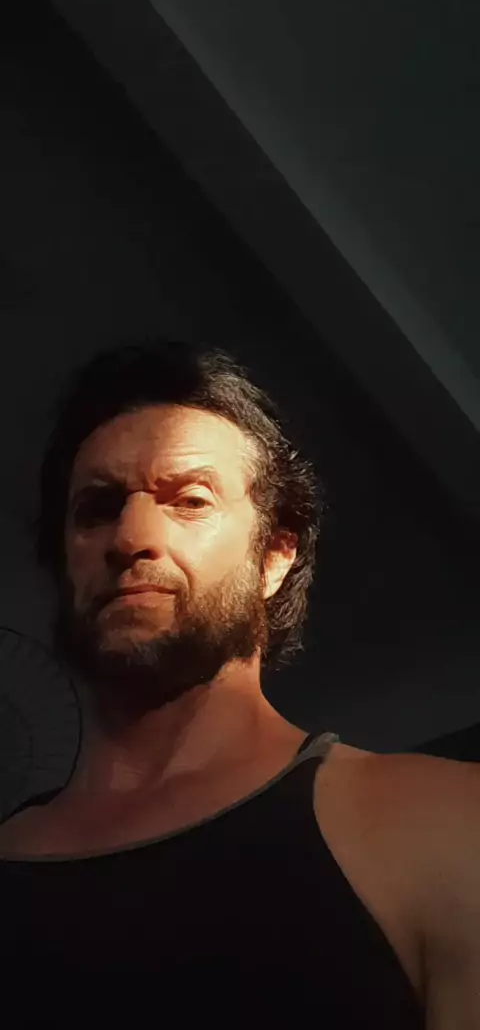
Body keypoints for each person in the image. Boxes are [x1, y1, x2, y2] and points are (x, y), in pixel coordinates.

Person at [0, 339, 450, 1025]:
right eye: (97, 508)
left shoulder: (438, 825)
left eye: (189, 500)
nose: (130, 536)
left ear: (274, 559)